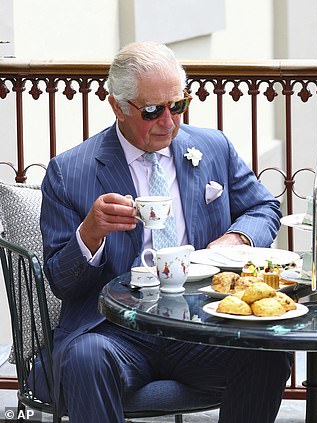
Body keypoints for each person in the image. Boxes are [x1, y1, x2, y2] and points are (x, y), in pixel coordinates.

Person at [39, 41, 291, 423]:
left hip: (201, 324)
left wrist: (235, 240)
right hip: (115, 330)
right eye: (153, 110)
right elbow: (61, 282)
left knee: (268, 352)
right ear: (117, 107)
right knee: (86, 359)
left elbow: (263, 207)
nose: (169, 122)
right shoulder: (70, 172)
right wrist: (89, 234)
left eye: (178, 105)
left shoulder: (212, 146)